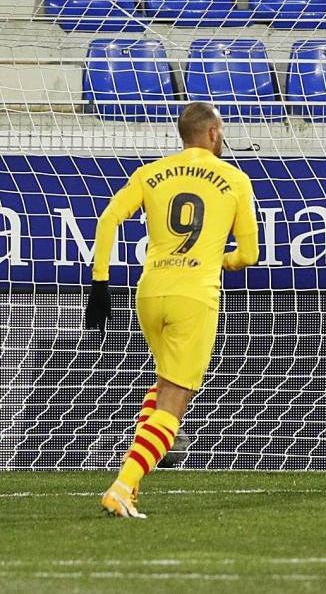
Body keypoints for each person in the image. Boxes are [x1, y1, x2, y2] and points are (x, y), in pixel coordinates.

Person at [87, 102, 259, 518]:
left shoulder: (150, 173)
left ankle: (133, 475)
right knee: (175, 401)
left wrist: (99, 282)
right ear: (215, 133)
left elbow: (108, 220)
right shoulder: (235, 179)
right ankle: (123, 486)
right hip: (193, 297)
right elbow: (249, 255)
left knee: (165, 385)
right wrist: (218, 259)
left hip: (149, 293)